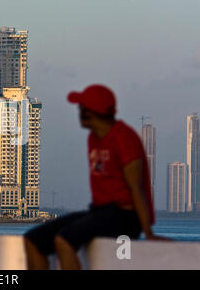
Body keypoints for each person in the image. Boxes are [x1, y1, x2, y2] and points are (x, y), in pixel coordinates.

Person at [24, 84, 169, 270]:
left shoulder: (123, 138)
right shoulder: (94, 138)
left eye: (81, 108)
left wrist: (147, 232)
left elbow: (136, 188)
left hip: (124, 216)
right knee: (33, 240)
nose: (78, 113)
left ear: (90, 112)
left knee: (64, 241)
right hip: (101, 211)